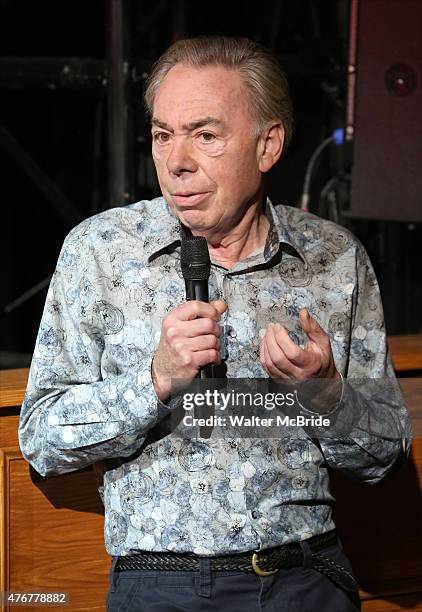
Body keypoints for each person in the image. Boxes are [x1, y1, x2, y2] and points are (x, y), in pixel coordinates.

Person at [19, 36, 411, 612]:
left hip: (305, 577)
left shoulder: (334, 259)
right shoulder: (99, 252)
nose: (176, 161)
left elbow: (385, 454)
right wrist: (152, 381)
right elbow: (41, 440)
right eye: (162, 135)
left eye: (205, 135)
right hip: (163, 584)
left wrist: (324, 394)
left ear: (268, 145)